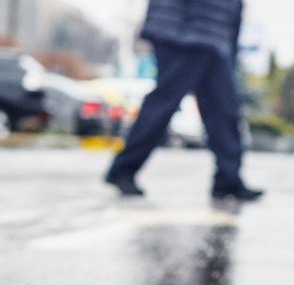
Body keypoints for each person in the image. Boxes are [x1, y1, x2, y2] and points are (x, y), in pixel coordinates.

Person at [104, 0, 263, 202]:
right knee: (162, 105)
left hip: (214, 38)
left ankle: (228, 179)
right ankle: (123, 169)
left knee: (225, 111)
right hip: (181, 35)